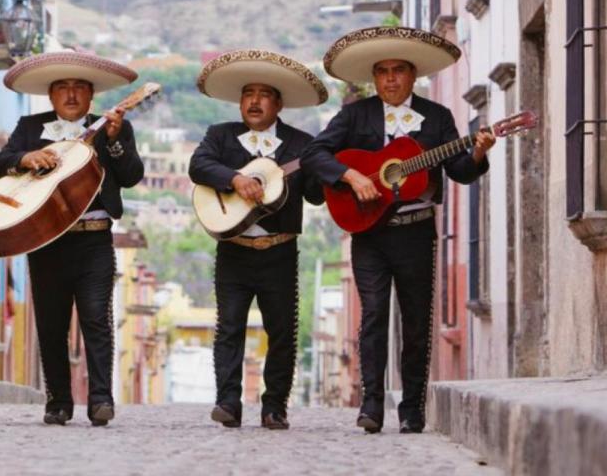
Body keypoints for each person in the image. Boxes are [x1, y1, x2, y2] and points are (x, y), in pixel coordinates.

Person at [301, 26, 495, 433]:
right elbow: (314, 154)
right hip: (369, 231)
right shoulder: (356, 115)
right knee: (373, 315)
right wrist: (352, 177)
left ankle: (412, 411)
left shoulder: (437, 118)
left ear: (413, 75)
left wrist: (477, 151)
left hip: (416, 231)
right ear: (375, 78)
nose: (390, 78)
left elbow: (459, 171)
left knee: (417, 321)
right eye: (383, 71)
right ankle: (371, 406)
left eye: (399, 70)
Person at [0, 51, 143, 426]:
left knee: (96, 319)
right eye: (63, 87)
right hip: (45, 241)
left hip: (94, 239)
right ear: (51, 95)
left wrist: (115, 141)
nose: (72, 95)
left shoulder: (113, 126)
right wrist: (26, 158)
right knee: (50, 322)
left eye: (80, 88)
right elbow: (3, 160)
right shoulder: (30, 127)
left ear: (92, 95)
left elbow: (131, 175)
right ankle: (58, 401)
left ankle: (101, 400)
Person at [189, 50, 327, 429]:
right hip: (233, 249)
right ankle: (228, 403)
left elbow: (315, 195)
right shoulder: (220, 136)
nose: (253, 101)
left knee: (282, 331)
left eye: (264, 94)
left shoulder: (302, 144)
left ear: (278, 103)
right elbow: (198, 165)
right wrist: (235, 179)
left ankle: (274, 406)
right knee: (229, 327)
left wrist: (327, 169)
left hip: (279, 250)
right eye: (248, 93)